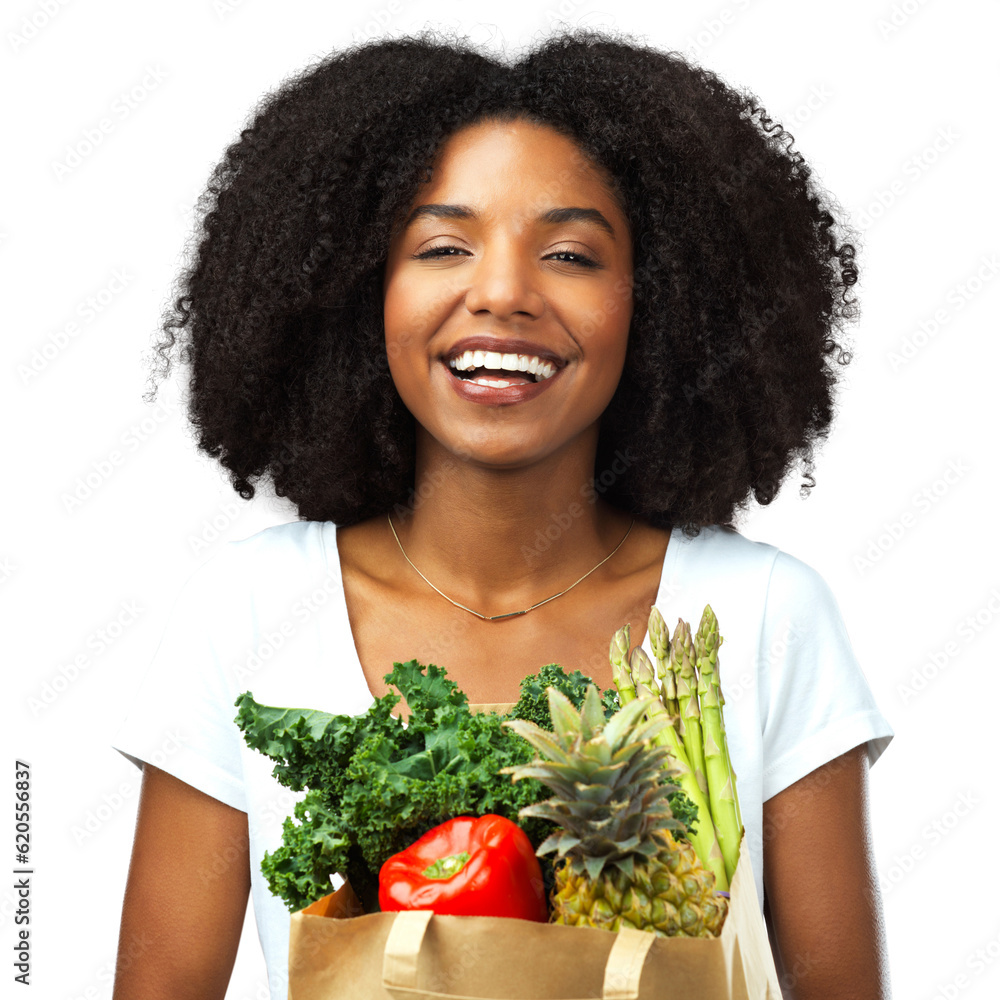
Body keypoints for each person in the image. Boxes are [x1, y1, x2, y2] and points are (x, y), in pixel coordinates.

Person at [111, 25, 894, 1000]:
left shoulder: (770, 615)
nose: (503, 293)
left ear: (658, 301)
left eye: (569, 253)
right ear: (359, 292)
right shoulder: (246, 609)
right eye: (443, 245)